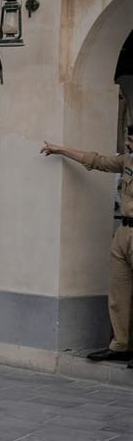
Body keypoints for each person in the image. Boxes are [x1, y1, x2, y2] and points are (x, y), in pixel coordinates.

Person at [42, 125, 133, 364]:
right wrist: (60, 149)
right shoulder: (127, 161)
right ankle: (121, 345)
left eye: (132, 141)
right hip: (123, 233)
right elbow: (96, 161)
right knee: (119, 294)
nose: (128, 145)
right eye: (128, 140)